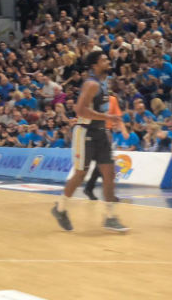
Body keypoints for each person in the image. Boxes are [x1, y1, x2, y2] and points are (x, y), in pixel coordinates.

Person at [52, 51, 128, 232]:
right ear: (95, 65)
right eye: (104, 60)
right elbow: (80, 110)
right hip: (85, 132)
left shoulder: (104, 83)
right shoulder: (91, 84)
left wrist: (107, 124)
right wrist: (107, 117)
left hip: (100, 132)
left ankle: (110, 217)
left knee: (109, 173)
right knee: (80, 174)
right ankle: (60, 208)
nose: (108, 61)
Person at [83, 92, 126, 200]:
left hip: (106, 132)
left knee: (104, 162)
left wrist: (123, 130)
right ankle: (95, 189)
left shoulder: (112, 100)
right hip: (95, 132)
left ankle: (90, 188)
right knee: (104, 163)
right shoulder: (93, 99)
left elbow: (118, 117)